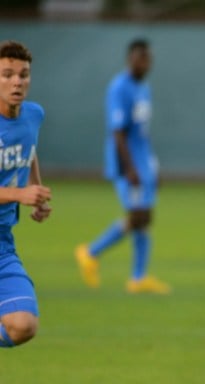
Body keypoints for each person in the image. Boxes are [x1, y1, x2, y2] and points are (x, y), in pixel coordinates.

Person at [75, 38, 169, 294]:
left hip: (143, 161)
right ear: (130, 59)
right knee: (139, 217)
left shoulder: (144, 87)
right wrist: (130, 169)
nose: (145, 63)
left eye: (148, 59)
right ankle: (90, 252)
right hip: (129, 164)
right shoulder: (119, 87)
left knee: (145, 218)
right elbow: (117, 133)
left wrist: (153, 165)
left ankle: (138, 278)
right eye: (140, 58)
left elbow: (143, 132)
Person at [0, 40, 52, 348]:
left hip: (2, 243)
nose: (17, 81)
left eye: (23, 74)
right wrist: (20, 194)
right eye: (7, 74)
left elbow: (29, 149)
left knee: (23, 326)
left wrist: (36, 190)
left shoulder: (34, 115)